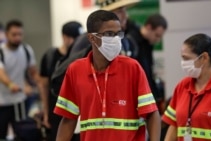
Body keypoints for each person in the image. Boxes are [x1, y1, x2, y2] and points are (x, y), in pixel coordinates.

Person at [54, 10, 161, 141]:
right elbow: (68, 119)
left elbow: (151, 113)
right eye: (110, 34)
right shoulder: (75, 70)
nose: (116, 39)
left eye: (118, 34)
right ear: (91, 38)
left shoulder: (132, 68)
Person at [40, 21, 83, 141]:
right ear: (65, 37)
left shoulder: (81, 56)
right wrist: (46, 111)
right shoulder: (50, 56)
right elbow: (43, 85)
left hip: (75, 110)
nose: (77, 42)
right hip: (56, 109)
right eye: (75, 38)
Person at [0, 20, 41, 140]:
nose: (17, 38)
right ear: (7, 34)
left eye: (20, 34)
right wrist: (11, 85)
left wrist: (39, 83)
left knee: (23, 134)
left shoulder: (26, 50)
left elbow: (33, 71)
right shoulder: (1, 52)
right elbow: (1, 74)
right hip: (2, 102)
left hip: (19, 101)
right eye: (14, 34)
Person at [69, 0, 140, 58]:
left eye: (125, 11)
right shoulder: (88, 40)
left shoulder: (124, 40)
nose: (125, 16)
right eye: (120, 11)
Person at [127, 13, 167, 113]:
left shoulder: (148, 44)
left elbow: (148, 74)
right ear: (149, 27)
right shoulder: (131, 41)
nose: (158, 40)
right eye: (157, 35)